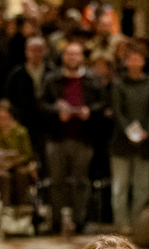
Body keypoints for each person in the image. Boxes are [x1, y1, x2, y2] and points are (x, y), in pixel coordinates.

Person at [40, 41, 107, 233]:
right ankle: (55, 222)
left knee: (81, 182)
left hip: (83, 138)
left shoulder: (93, 80)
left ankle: (80, 221)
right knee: (57, 182)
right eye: (69, 54)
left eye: (76, 54)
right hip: (57, 138)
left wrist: (89, 111)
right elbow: (41, 104)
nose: (72, 58)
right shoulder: (52, 79)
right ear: (64, 57)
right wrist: (57, 111)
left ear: (82, 57)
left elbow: (103, 103)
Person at [109, 40, 149, 234]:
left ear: (143, 62)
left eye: (139, 59)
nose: (135, 62)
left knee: (142, 186)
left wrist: (146, 131)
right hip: (122, 140)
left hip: (145, 141)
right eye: (132, 59)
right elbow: (118, 112)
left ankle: (139, 222)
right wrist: (129, 131)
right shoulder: (118, 84)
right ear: (126, 61)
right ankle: (121, 223)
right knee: (120, 185)